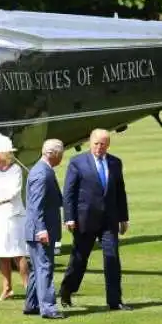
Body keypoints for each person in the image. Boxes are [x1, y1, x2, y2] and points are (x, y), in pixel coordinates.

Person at [59, 129, 131, 311]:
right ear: (90, 142)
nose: (99, 148)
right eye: (96, 144)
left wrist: (123, 218)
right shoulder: (77, 162)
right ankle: (67, 291)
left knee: (112, 258)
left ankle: (115, 301)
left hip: (109, 220)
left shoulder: (115, 162)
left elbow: (120, 191)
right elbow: (69, 192)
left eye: (103, 144)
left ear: (108, 145)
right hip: (85, 220)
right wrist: (69, 218)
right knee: (79, 260)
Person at [22, 138, 65, 320]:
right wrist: (41, 229)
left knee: (37, 268)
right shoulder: (42, 173)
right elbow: (36, 205)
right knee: (45, 267)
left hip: (38, 229)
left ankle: (32, 304)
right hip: (40, 230)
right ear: (53, 154)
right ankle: (48, 307)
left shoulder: (42, 170)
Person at [0, 133, 28, 301]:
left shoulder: (16, 170)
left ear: (3, 154)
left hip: (11, 214)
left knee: (17, 252)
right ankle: (6, 288)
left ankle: (28, 286)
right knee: (1, 252)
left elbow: (14, 191)